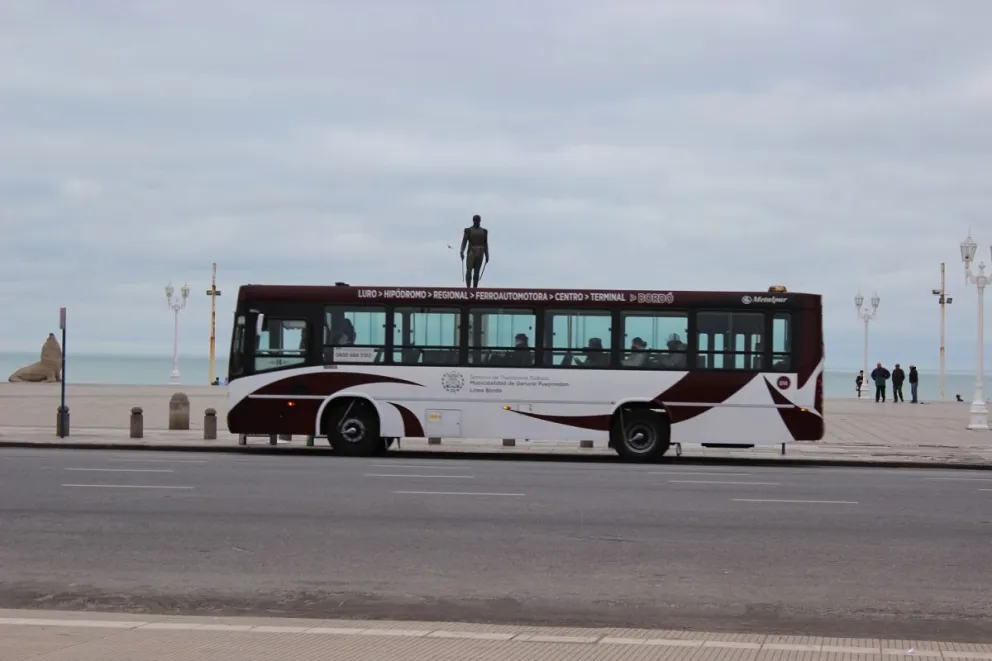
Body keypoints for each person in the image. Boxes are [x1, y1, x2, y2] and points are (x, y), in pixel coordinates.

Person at [460, 214, 489, 289]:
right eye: (475, 220)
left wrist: (487, 254)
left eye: (478, 220)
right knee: (469, 270)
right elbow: (464, 241)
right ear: (473, 221)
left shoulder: (484, 231)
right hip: (471, 250)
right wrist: (461, 251)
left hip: (481, 250)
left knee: (477, 271)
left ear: (480, 221)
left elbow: (485, 243)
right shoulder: (468, 230)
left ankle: (475, 288)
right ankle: (468, 288)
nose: (476, 221)